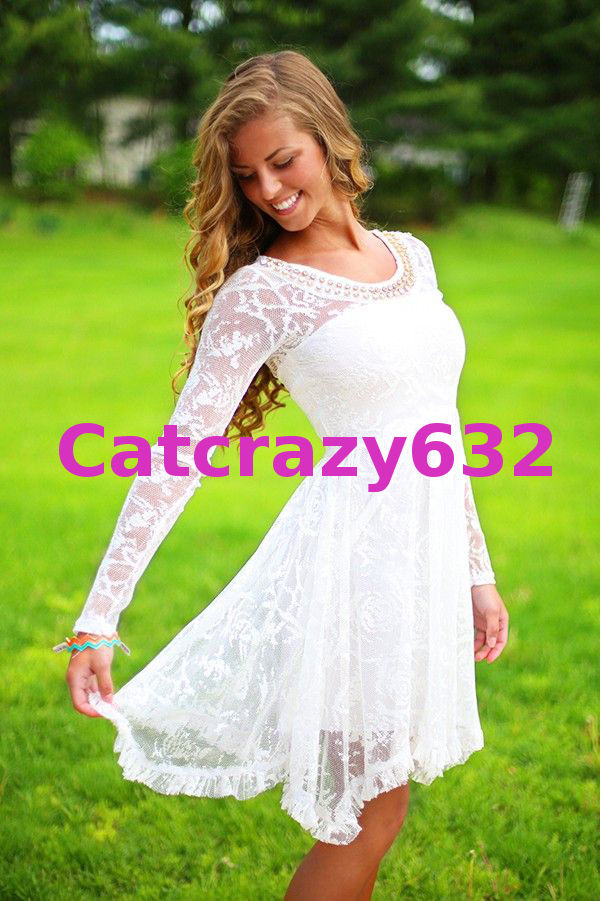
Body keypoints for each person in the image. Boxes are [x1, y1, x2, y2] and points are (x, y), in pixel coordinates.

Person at [61, 50, 509, 900]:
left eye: (282, 160)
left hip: (420, 567)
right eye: (247, 175)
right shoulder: (263, 292)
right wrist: (96, 619)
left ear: (329, 137)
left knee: (382, 811)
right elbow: (178, 456)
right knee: (367, 816)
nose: (267, 189)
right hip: (352, 570)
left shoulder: (411, 257)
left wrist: (476, 573)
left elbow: (437, 431)